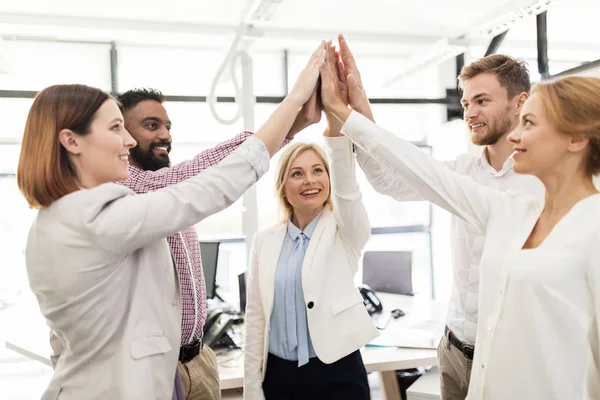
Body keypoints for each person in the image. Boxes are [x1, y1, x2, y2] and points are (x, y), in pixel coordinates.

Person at [17, 43, 325, 400]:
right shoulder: (94, 216)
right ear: (71, 141)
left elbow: (64, 342)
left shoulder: (55, 220)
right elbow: (209, 188)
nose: (128, 141)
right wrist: (292, 105)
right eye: (116, 127)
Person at [320, 38, 600, 400]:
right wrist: (353, 113)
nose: (516, 136)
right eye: (466, 102)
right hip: (467, 354)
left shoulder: (588, 226)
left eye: (529, 122)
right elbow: (414, 169)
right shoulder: (507, 208)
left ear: (576, 138)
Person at [113, 79, 319, 399]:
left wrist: (294, 124)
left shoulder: (171, 193)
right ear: (122, 135)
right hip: (157, 370)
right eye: (151, 125)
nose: (165, 135)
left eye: (167, 126)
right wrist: (289, 118)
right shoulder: (126, 192)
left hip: (198, 358)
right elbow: (205, 169)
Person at [243, 43, 379, 400]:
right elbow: (256, 318)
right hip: (280, 376)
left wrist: (336, 120)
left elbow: (349, 191)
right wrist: (252, 388)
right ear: (284, 187)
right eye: (298, 174)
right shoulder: (266, 241)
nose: (310, 181)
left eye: (318, 171)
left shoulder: (345, 228)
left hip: (337, 371)